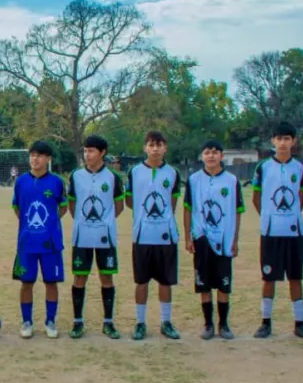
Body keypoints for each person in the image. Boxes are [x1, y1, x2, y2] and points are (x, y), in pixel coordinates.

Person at [252, 121, 303, 339]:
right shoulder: (263, 167)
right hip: (271, 232)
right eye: (279, 139)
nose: (283, 143)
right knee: (268, 278)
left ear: (293, 142)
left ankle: (299, 323)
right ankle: (265, 323)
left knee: (295, 278)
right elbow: (256, 198)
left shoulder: (300, 168)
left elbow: (302, 197)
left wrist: (290, 216)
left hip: (294, 233)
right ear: (273, 141)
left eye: (287, 139)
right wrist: (270, 216)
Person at [183, 140, 243, 340]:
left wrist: (235, 240)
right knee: (204, 285)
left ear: (221, 156)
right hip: (201, 239)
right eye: (207, 152)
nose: (211, 156)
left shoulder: (232, 181)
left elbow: (237, 211)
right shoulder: (193, 180)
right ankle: (208, 324)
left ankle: (223, 325)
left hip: (224, 240)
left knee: (224, 284)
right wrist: (188, 237)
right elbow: (188, 209)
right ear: (202, 156)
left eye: (215, 152)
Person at [125, 131, 181, 340]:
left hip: (166, 236)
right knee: (141, 282)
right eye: (151, 144)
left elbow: (173, 203)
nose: (155, 148)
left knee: (165, 282)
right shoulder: (135, 172)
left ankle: (166, 322)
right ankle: (140, 323)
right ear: (145, 148)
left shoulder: (173, 173)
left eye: (159, 144)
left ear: (165, 148)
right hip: (142, 235)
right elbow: (130, 200)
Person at [67, 135, 124, 339]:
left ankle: (108, 323)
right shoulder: (75, 176)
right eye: (85, 150)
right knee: (79, 277)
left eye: (91, 151)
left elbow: (119, 206)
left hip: (104, 237)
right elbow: (72, 206)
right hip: (81, 236)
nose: (87, 154)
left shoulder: (113, 178)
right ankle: (77, 322)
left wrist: (103, 222)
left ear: (102, 153)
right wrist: (84, 222)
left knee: (106, 277)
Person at [11, 140, 67, 338]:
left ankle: (50, 321)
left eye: (40, 155)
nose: (35, 159)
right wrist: (31, 227)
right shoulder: (20, 182)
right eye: (32, 155)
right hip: (26, 242)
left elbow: (63, 207)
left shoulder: (57, 182)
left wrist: (48, 224)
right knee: (26, 283)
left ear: (48, 159)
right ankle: (26, 322)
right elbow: (17, 207)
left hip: (50, 242)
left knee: (51, 282)